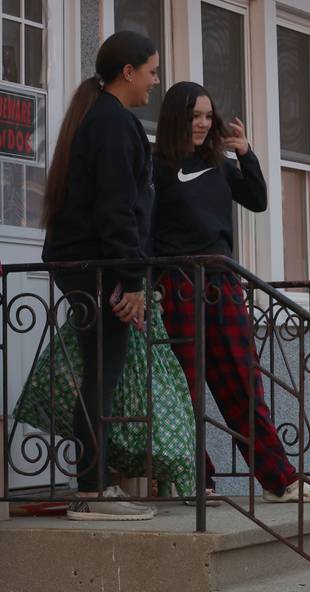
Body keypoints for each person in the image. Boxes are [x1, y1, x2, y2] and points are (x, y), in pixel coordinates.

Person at [151, 81, 310, 503]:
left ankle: (278, 480)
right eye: (195, 116)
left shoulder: (220, 163)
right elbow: (145, 227)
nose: (203, 123)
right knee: (183, 389)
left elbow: (259, 200)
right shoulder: (155, 165)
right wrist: (147, 283)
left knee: (243, 384)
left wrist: (245, 153)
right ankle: (194, 478)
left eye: (208, 116)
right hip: (175, 285)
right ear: (177, 116)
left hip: (222, 284)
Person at [41, 31, 160, 520]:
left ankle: (94, 485)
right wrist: (131, 281)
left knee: (101, 372)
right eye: (151, 70)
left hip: (93, 264)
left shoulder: (105, 119)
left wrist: (131, 276)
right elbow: (116, 210)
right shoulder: (113, 124)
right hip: (97, 266)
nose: (155, 80)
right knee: (101, 375)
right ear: (127, 72)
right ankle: (91, 490)